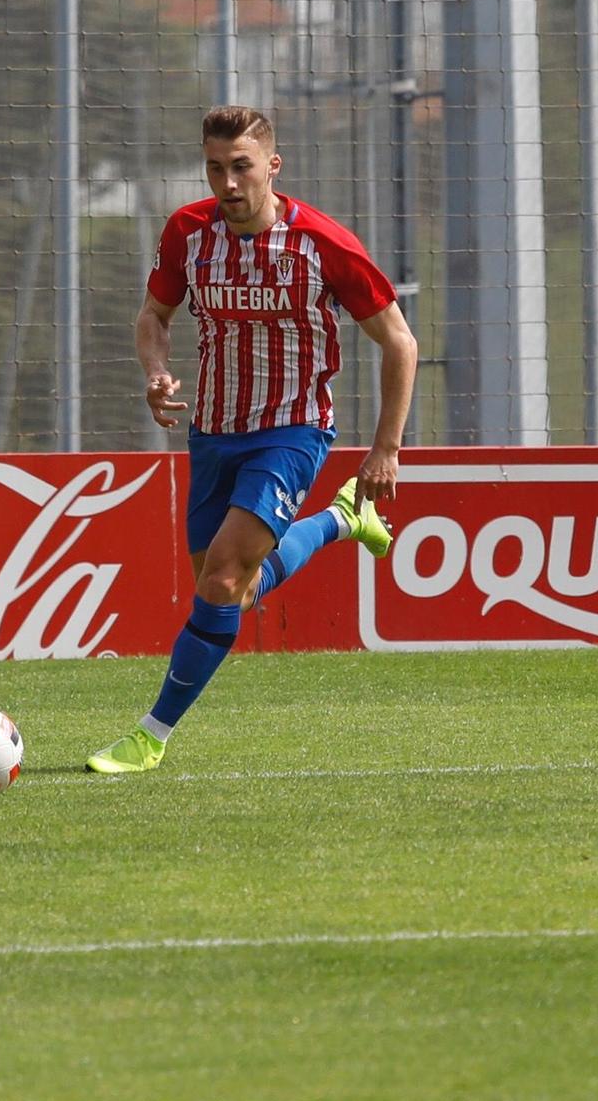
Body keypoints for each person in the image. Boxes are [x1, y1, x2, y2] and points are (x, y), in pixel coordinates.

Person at [84, 105, 418, 775]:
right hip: (212, 431)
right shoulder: (188, 232)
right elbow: (153, 316)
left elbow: (399, 342)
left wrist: (386, 447)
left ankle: (150, 735)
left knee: (225, 577)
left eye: (241, 167)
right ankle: (341, 519)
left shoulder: (322, 244)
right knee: (231, 590)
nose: (228, 183)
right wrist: (155, 371)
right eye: (215, 168)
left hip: (291, 431)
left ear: (272, 165)